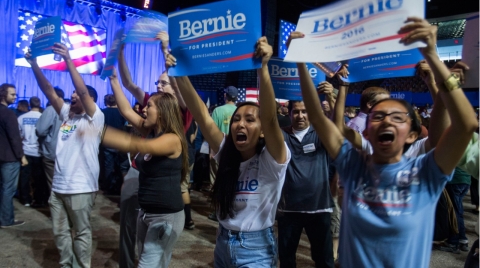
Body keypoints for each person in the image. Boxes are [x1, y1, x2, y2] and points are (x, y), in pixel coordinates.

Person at [292, 17, 478, 267]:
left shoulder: (426, 172)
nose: (387, 120)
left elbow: (465, 126)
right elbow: (316, 115)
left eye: (397, 117)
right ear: (366, 132)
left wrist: (433, 57)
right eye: (378, 116)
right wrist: (301, 61)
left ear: (412, 135)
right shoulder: (352, 165)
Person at [172, 37, 291, 267]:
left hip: (256, 250)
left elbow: (269, 117)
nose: (240, 125)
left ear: (263, 131)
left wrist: (263, 67)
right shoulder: (227, 152)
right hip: (222, 243)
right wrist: (178, 72)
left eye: (249, 120)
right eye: (236, 120)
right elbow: (202, 116)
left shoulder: (273, 158)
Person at [25, 43, 105, 268]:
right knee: (60, 233)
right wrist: (34, 64)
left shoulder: (95, 118)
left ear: (90, 100)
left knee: (81, 232)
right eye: (70, 96)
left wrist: (69, 60)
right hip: (58, 187)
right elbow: (49, 90)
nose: (72, 98)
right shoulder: (66, 115)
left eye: (77, 97)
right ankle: (66, 265)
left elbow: (81, 91)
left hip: (81, 187)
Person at [103, 67, 188, 268]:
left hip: (165, 217)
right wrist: (114, 80)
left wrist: (100, 133)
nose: (143, 109)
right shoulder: (150, 130)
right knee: (152, 262)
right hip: (146, 212)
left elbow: (141, 146)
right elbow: (125, 110)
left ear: (162, 113)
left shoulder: (173, 139)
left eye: (149, 106)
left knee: (146, 265)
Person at [117, 34, 195, 231]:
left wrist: (165, 51)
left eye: (163, 83)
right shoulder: (152, 103)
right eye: (157, 83)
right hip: (140, 166)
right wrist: (120, 53)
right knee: (129, 221)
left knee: (153, 225)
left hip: (161, 174)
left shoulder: (183, 108)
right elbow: (129, 85)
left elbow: (178, 86)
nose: (158, 87)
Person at [277, 100, 334, 267]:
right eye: (296, 112)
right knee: (286, 260)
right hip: (288, 209)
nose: (300, 116)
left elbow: (337, 127)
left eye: (305, 111)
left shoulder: (320, 134)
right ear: (289, 113)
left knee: (324, 260)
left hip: (319, 207)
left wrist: (333, 99)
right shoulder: (282, 135)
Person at [206, 86, 239, 220]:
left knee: (216, 182)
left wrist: (211, 152)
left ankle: (218, 211)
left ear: (225, 96)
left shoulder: (218, 110)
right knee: (232, 182)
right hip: (236, 152)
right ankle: (230, 210)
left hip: (219, 150)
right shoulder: (239, 111)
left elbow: (211, 132)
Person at [0, 83, 27, 228]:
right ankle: (6, 220)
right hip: (9, 157)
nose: (15, 97)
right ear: (4, 95)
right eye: (12, 94)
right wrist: (21, 156)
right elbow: (14, 137)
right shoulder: (8, 113)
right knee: (8, 190)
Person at [35, 87, 65, 193]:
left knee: (54, 184)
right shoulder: (71, 109)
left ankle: (58, 208)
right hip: (68, 153)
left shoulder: (51, 109)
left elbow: (40, 130)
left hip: (52, 152)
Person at [17, 96, 43, 207]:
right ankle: (39, 199)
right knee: (39, 178)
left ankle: (26, 199)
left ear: (29, 105)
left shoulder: (21, 118)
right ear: (39, 104)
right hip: (39, 151)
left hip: (26, 151)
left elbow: (19, 135)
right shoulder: (43, 117)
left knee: (25, 177)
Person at [101, 94, 127, 194]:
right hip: (120, 142)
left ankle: (109, 188)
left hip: (107, 142)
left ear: (105, 101)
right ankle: (120, 187)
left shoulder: (102, 112)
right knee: (121, 167)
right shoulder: (122, 113)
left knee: (108, 166)